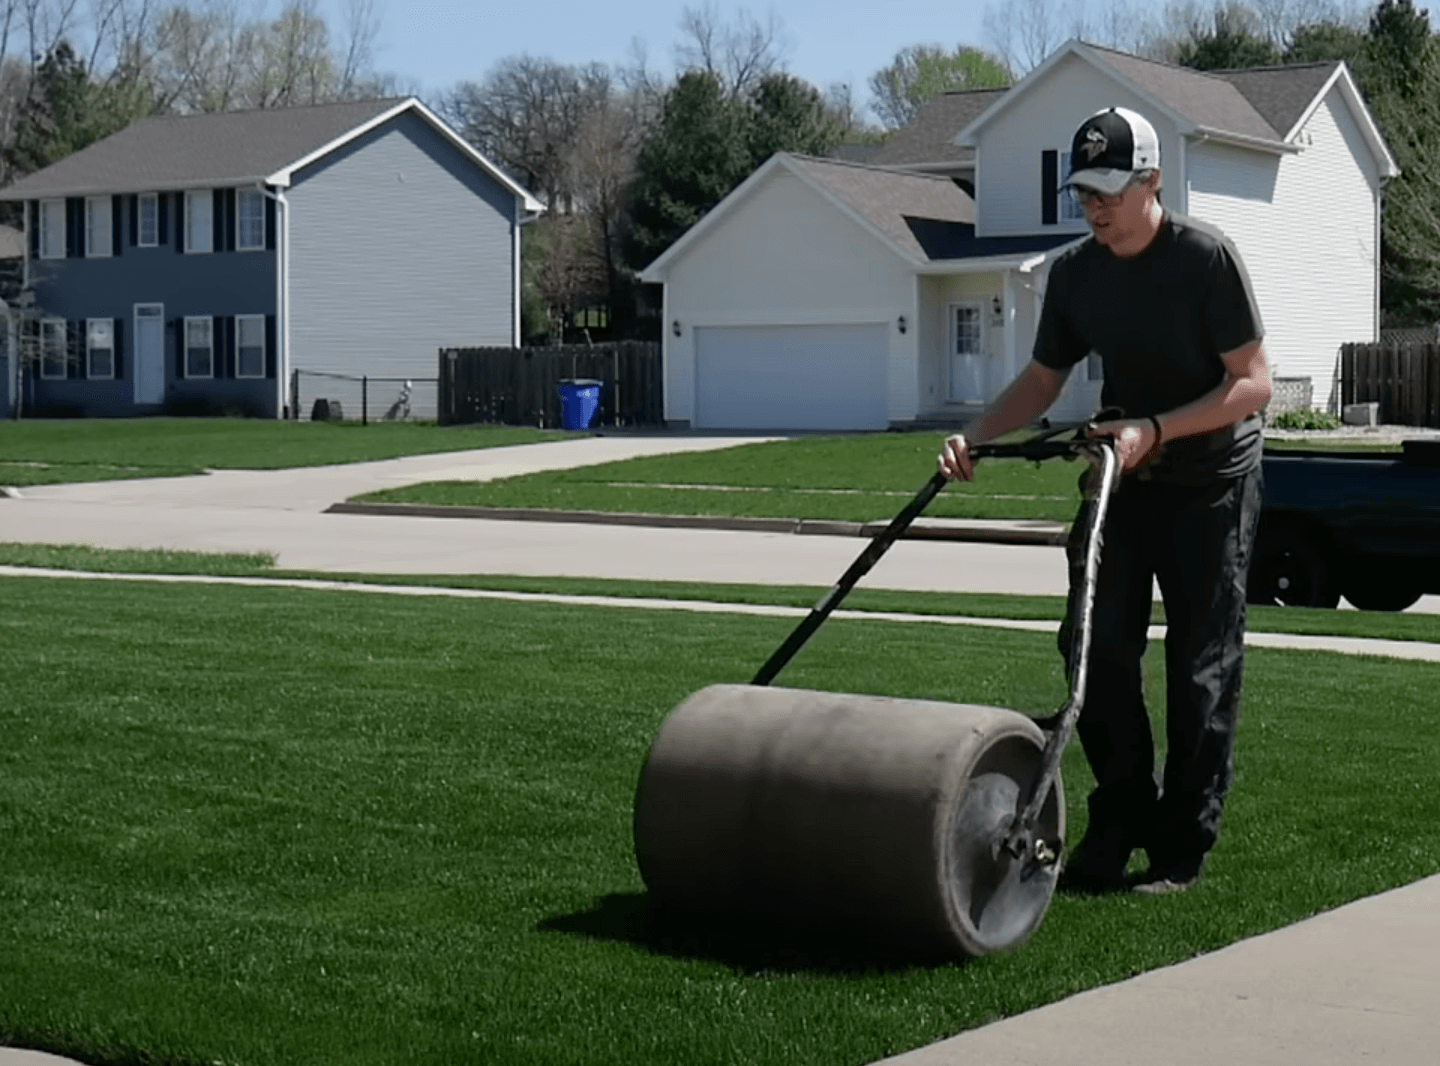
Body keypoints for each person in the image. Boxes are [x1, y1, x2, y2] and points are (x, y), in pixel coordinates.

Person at [937, 106, 1272, 895]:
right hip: (1125, 476)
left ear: (1151, 182)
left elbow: (1252, 383)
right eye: (1083, 190)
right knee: (1096, 650)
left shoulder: (1205, 259)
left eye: (1108, 190)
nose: (1093, 205)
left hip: (1213, 483)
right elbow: (1044, 380)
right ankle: (1118, 818)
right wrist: (974, 436)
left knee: (1201, 667)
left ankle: (1181, 844)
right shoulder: (1078, 273)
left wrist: (1157, 428)